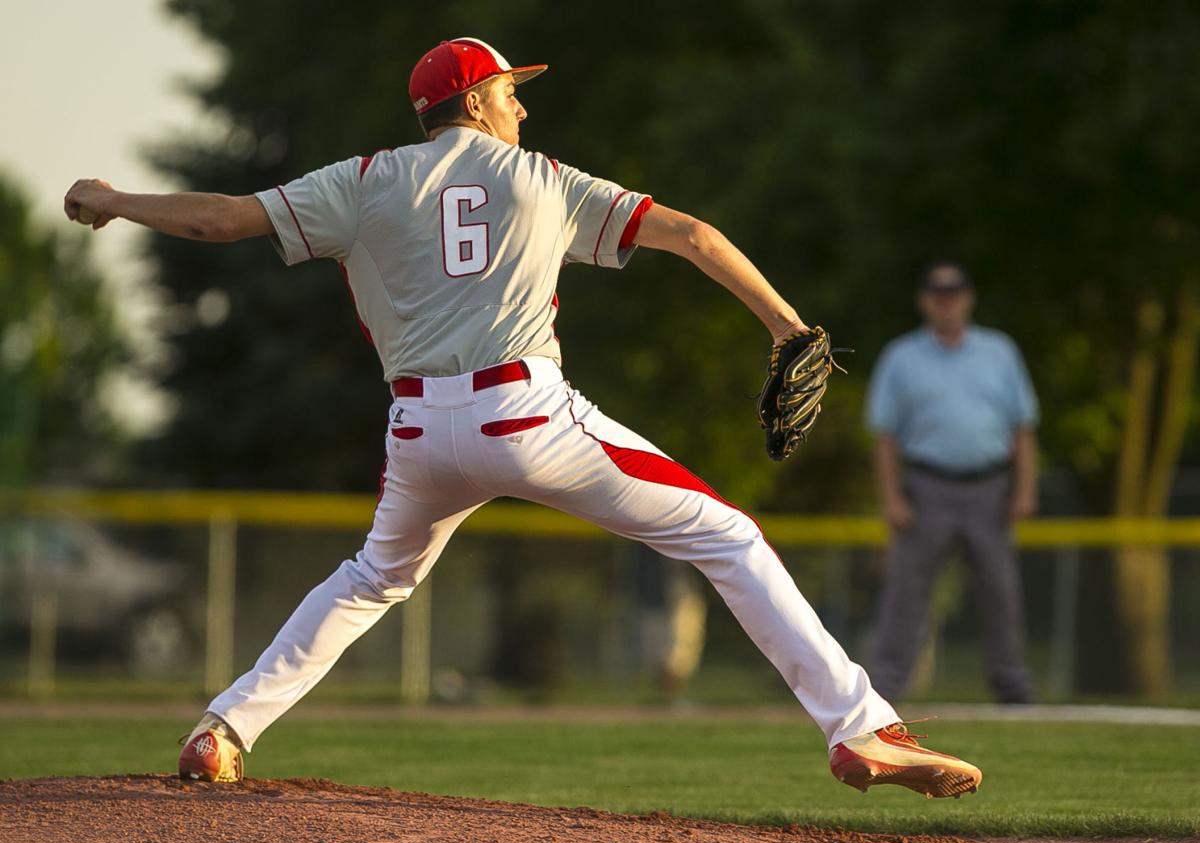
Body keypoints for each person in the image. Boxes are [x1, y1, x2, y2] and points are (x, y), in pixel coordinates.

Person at [64, 37, 981, 798]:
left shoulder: (365, 178)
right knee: (729, 534)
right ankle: (864, 727)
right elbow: (693, 235)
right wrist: (787, 325)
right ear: (474, 99)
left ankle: (224, 728)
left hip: (419, 434)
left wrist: (111, 200)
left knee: (372, 577)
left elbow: (221, 221)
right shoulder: (542, 177)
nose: (523, 108)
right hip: (527, 415)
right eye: (511, 90)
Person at [865, 261, 1038, 704]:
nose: (946, 303)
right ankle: (884, 688)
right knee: (907, 591)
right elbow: (885, 435)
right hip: (926, 487)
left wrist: (1024, 489)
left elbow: (1022, 427)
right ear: (925, 301)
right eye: (938, 294)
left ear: (968, 298)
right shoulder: (901, 356)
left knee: (1000, 589)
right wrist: (891, 497)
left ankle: (1011, 685)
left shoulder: (999, 351)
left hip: (989, 487)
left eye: (954, 293)